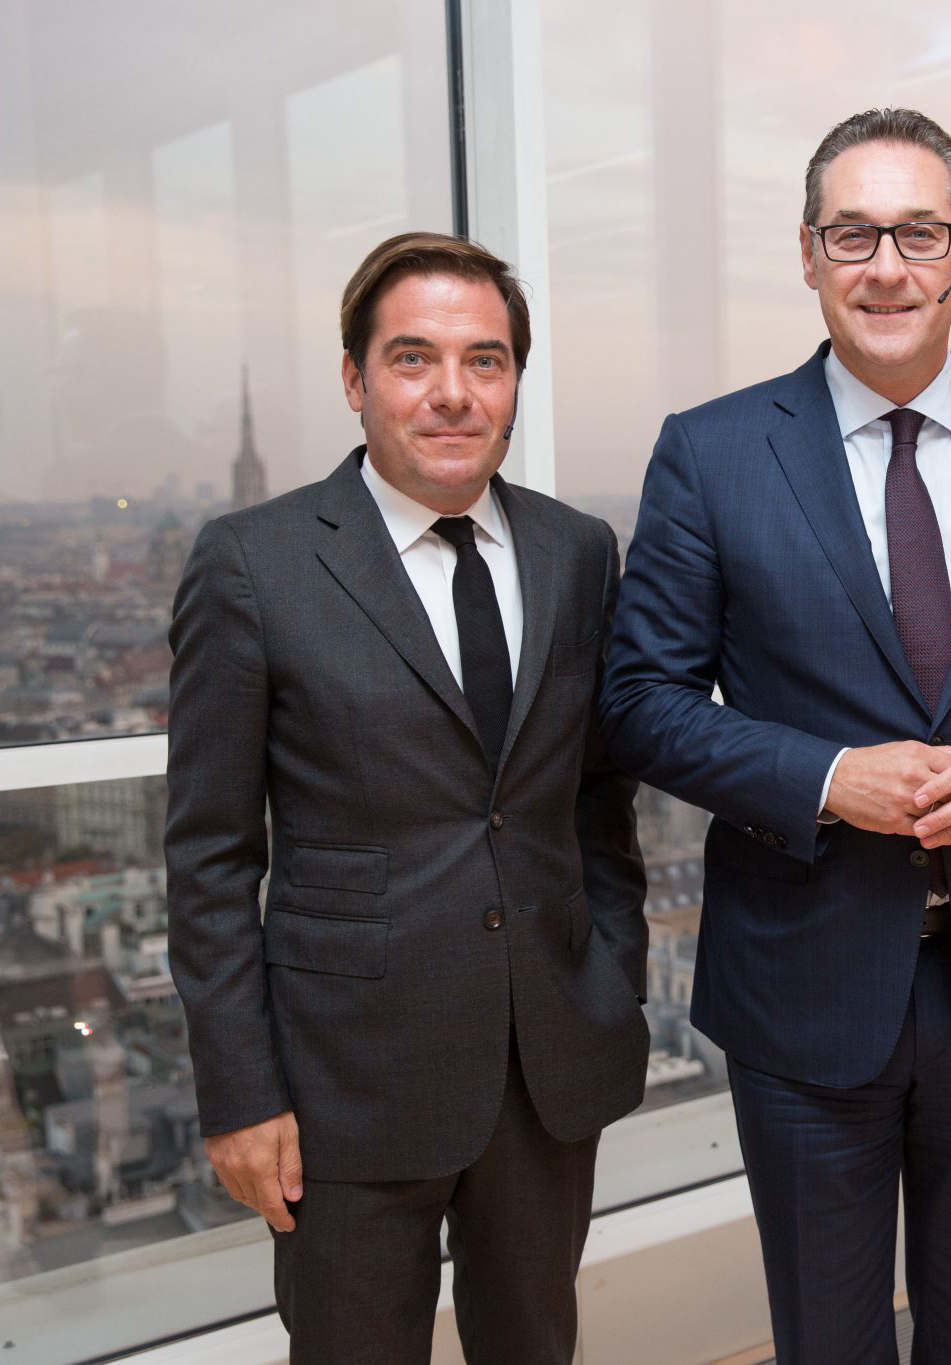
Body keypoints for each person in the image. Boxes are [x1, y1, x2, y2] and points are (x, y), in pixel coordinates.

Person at [601, 108, 951, 1363]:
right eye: (853, 234)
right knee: (828, 1341)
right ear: (807, 253)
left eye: (917, 232)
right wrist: (829, 779)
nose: (886, 265)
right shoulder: (712, 453)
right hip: (804, 982)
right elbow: (638, 700)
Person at [165, 231, 649, 1365]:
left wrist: (609, 976)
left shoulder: (578, 551)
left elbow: (595, 801)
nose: (451, 394)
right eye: (412, 359)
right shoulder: (254, 563)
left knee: (533, 1344)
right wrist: (241, 1094)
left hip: (545, 1068)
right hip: (345, 1084)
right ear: (354, 379)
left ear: (515, 382)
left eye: (484, 361)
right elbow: (210, 858)